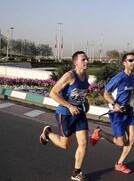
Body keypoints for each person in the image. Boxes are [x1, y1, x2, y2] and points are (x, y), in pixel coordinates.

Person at [90, 52, 134, 174]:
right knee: (120, 142)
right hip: (116, 113)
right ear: (124, 63)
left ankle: (119, 164)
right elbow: (105, 93)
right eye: (130, 60)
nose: (133, 62)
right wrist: (114, 103)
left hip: (128, 111)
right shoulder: (118, 78)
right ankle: (99, 133)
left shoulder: (133, 77)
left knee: (132, 138)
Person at [39, 51, 90, 181]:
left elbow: (80, 93)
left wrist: (85, 102)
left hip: (79, 114)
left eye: (87, 59)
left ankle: (76, 172)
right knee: (64, 145)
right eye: (83, 60)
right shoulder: (69, 76)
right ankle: (48, 133)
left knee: (83, 142)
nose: (86, 62)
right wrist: (69, 106)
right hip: (65, 114)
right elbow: (53, 93)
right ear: (75, 62)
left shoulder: (86, 75)